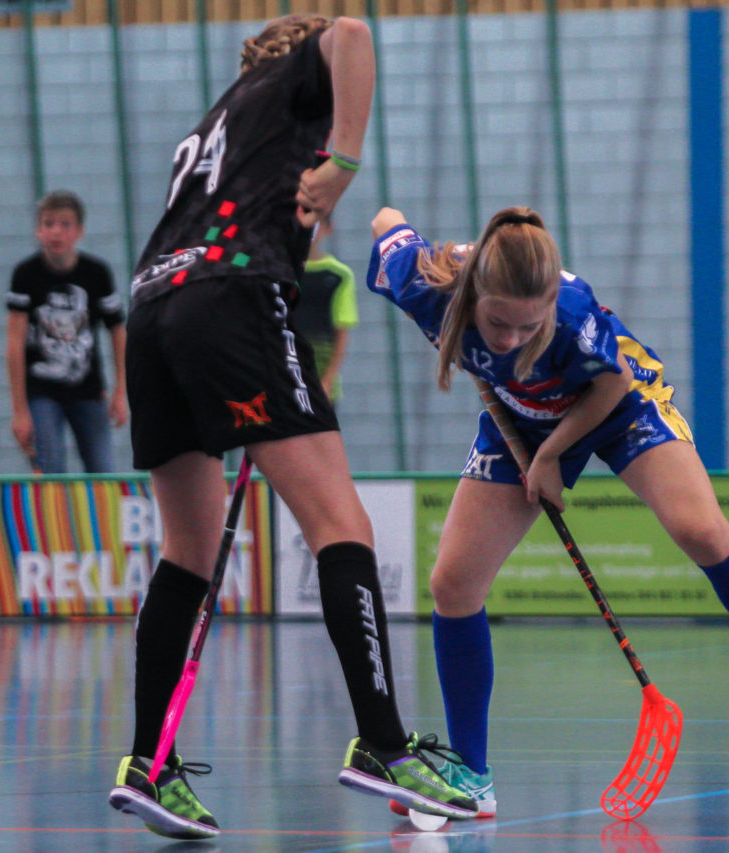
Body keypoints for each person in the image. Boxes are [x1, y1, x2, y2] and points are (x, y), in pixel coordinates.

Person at [106, 15, 476, 841]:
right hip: (232, 298)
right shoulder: (293, 82)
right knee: (339, 523)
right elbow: (352, 32)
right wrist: (344, 161)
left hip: (155, 312)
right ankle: (383, 742)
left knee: (186, 552)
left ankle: (148, 762)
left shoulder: (220, 119)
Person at [366, 205, 729, 820]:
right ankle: (471, 772)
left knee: (698, 528)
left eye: (528, 327)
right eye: (498, 323)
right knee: (453, 583)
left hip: (619, 405)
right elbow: (386, 221)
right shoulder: (426, 286)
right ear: (475, 293)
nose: (511, 339)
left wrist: (549, 457)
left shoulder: (572, 317)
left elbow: (611, 387)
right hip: (517, 415)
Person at [6, 190, 127, 474]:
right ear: (39, 231)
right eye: (49, 224)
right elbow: (14, 342)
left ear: (79, 231)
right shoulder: (26, 275)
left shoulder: (96, 274)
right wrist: (20, 410)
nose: (56, 232)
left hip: (87, 390)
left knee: (102, 468)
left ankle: (98, 519)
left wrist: (121, 391)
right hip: (42, 392)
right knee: (52, 469)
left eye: (65, 224)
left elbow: (118, 332)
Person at [297, 214, 359, 402]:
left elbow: (342, 331)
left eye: (314, 226)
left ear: (327, 228)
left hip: (319, 365)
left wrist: (328, 380)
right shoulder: (277, 271)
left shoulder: (339, 275)